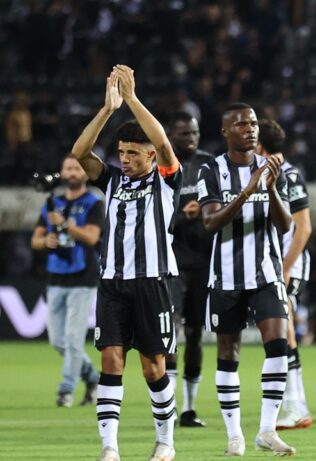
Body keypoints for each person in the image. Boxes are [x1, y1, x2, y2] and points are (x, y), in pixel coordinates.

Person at [71, 65, 181, 461]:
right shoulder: (113, 180)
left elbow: (164, 143)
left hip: (153, 281)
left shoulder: (166, 180)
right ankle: (110, 448)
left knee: (154, 368)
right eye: (121, 153)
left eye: (132, 152)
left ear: (149, 155)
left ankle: (165, 442)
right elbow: (80, 153)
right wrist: (107, 110)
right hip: (113, 283)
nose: (125, 159)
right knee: (111, 360)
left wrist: (132, 99)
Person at [197, 103, 295, 456]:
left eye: (253, 123)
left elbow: (285, 224)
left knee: (279, 346)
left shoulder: (272, 167)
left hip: (266, 272)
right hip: (225, 276)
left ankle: (267, 430)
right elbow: (210, 222)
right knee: (228, 353)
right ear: (225, 131)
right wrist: (247, 191)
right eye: (241, 124)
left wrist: (270, 188)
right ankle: (235, 435)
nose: (250, 129)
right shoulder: (211, 170)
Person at [31, 156, 103, 408]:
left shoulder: (94, 202)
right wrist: (46, 242)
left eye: (77, 168)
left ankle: (66, 390)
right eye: (68, 168)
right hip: (56, 276)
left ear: (85, 174)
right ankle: (93, 377)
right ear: (62, 173)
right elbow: (36, 240)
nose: (72, 172)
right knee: (58, 342)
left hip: (83, 277)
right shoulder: (53, 204)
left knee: (73, 339)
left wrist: (65, 226)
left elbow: (92, 237)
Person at [256, 119, 314, 430]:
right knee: (282, 331)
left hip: (288, 264)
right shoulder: (263, 173)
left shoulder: (288, 175)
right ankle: (294, 404)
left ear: (259, 145)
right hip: (271, 265)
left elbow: (303, 228)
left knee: (286, 329)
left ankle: (295, 405)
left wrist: (286, 267)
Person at [164, 111, 213, 428]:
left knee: (195, 334)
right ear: (171, 136)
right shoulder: (162, 166)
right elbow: (154, 215)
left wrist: (207, 210)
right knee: (169, 334)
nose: (191, 139)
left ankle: (189, 408)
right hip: (171, 263)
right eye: (184, 134)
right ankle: (167, 408)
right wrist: (184, 215)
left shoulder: (210, 165)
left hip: (204, 263)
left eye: (194, 133)